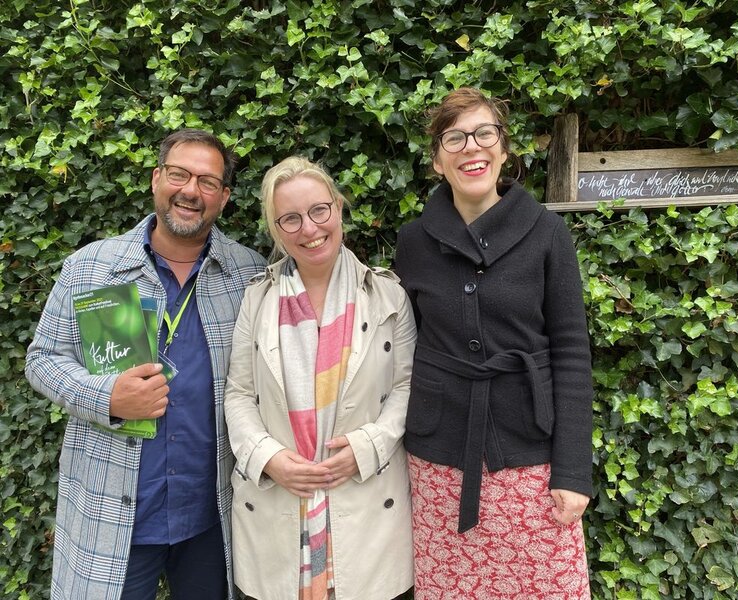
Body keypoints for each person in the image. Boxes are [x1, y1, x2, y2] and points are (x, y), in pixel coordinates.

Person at [25, 129, 268, 600]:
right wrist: (106, 397)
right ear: (157, 178)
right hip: (112, 512)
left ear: (224, 197)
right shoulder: (91, 267)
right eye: (179, 175)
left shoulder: (249, 274)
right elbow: (42, 359)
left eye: (208, 182)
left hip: (212, 516)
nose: (191, 191)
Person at [394, 87, 594, 599]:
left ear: (503, 149)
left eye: (484, 133)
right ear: (437, 160)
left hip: (530, 454)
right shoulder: (413, 242)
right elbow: (401, 346)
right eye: (454, 138)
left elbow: (572, 352)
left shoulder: (547, 232)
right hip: (439, 459)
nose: (471, 147)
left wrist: (574, 471)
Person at [224, 156, 415, 600]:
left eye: (319, 210)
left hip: (366, 503)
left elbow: (406, 387)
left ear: (338, 208)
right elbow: (239, 393)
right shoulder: (258, 298)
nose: (309, 228)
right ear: (276, 229)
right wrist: (267, 457)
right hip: (276, 507)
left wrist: (368, 447)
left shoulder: (388, 295)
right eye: (290, 219)